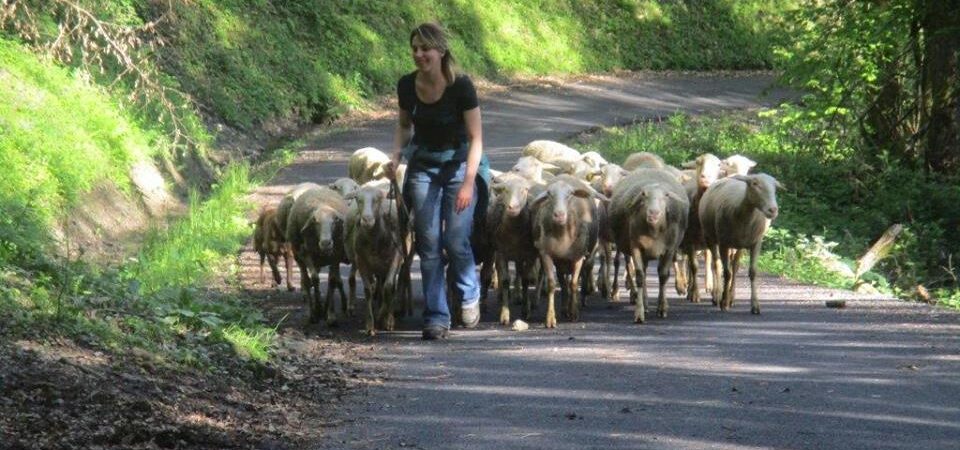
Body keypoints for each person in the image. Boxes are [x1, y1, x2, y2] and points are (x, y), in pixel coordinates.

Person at [385, 22, 490, 340]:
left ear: (440, 51)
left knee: (456, 241)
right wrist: (396, 156)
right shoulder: (406, 85)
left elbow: (476, 138)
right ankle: (436, 317)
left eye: (425, 49)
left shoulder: (461, 87)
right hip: (423, 169)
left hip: (459, 167)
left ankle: (469, 293)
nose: (419, 54)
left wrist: (469, 182)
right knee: (428, 245)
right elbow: (404, 126)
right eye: (414, 48)